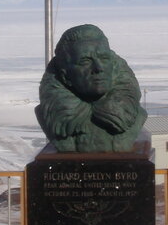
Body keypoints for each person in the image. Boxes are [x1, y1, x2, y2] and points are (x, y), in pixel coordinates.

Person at [35, 24, 147, 152]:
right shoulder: (51, 115)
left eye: (104, 58)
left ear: (113, 66)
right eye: (85, 61)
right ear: (65, 76)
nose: (98, 68)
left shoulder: (136, 114)